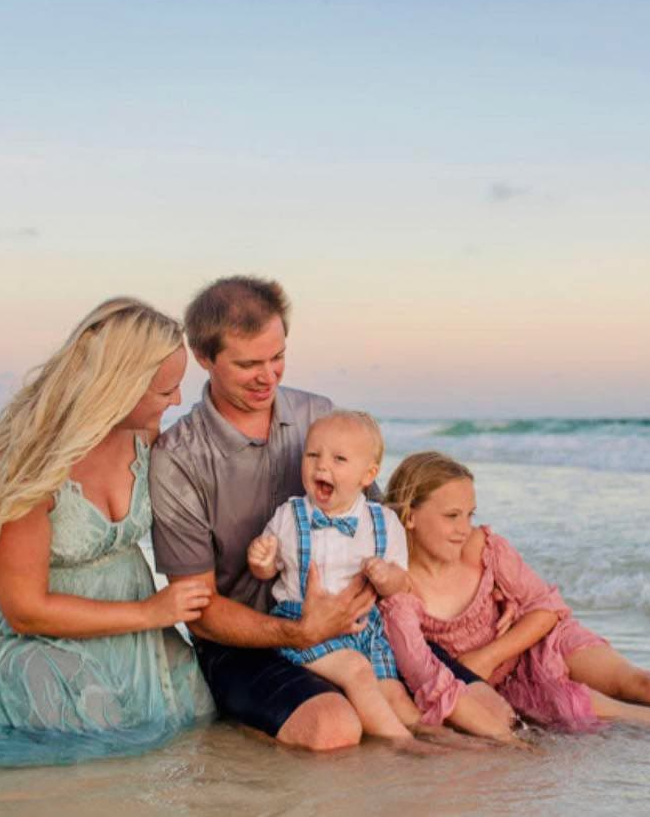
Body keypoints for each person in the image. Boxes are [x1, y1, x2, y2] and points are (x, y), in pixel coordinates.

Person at [150, 276, 516, 750]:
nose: (269, 376)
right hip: (244, 639)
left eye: (277, 357)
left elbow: (380, 524)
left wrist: (483, 586)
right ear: (204, 358)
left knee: (493, 712)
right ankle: (251, 724)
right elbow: (197, 610)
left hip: (361, 626)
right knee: (334, 728)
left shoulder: (318, 416)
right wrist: (300, 631)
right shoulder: (178, 458)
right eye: (247, 364)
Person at [0, 298, 215, 764]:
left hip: (127, 625)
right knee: (92, 736)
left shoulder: (143, 437)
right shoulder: (25, 467)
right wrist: (151, 613)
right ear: (119, 387)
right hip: (32, 638)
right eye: (166, 391)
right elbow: (25, 611)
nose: (178, 401)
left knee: (200, 705)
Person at [379, 451, 650, 739]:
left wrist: (489, 653)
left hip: (538, 640)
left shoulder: (483, 549)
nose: (464, 528)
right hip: (509, 685)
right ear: (409, 516)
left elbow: (547, 610)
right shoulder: (396, 585)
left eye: (469, 514)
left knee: (643, 685)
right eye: (451, 516)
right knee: (617, 711)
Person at [246, 410, 418, 741]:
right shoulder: (289, 515)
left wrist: (385, 576)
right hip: (305, 625)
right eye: (312, 455)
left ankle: (429, 734)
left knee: (394, 695)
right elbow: (268, 571)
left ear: (368, 475)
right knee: (357, 671)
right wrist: (261, 560)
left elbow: (402, 583)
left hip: (366, 628)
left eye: (339, 459)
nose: (322, 466)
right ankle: (404, 745)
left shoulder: (382, 521)